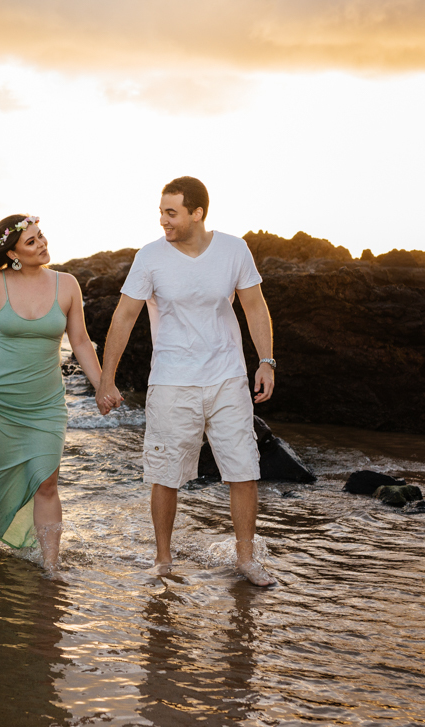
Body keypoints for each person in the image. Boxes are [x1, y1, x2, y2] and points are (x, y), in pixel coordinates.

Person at [95, 177, 277, 587]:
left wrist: (266, 362)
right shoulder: (150, 257)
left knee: (243, 468)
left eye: (171, 212)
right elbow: (124, 317)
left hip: (227, 376)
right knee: (166, 474)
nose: (163, 220)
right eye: (161, 211)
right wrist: (106, 378)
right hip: (172, 380)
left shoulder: (234, 249)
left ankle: (246, 560)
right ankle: (163, 559)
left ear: (197, 213)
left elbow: (255, 307)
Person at [0, 214, 104, 572]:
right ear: (14, 254)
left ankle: (51, 566)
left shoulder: (67, 284)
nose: (42, 245)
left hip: (45, 404)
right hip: (0, 398)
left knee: (47, 479)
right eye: (32, 242)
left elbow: (80, 341)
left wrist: (103, 387)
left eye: (41, 236)